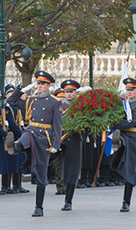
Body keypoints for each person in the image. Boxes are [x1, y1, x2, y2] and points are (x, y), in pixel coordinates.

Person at [7, 71, 63, 217]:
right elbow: (11, 101)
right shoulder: (31, 99)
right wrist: (21, 90)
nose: (39, 86)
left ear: (48, 86)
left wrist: (56, 143)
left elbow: (58, 124)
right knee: (25, 136)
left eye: (42, 84)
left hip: (45, 137)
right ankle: (15, 146)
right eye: (38, 83)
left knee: (41, 172)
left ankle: (39, 207)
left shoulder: (55, 102)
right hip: (31, 131)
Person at [111, 78, 136, 212]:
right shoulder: (121, 104)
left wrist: (115, 124)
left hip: (132, 138)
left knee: (130, 168)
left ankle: (126, 201)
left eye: (132, 90)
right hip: (120, 136)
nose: (129, 92)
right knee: (112, 151)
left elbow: (129, 123)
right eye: (127, 90)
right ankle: (115, 166)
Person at [59, 79, 83, 211]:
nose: (68, 94)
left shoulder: (81, 107)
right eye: (66, 92)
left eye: (71, 92)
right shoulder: (59, 106)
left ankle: (68, 200)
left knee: (72, 170)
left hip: (74, 140)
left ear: (76, 93)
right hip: (59, 140)